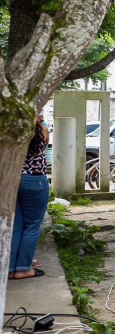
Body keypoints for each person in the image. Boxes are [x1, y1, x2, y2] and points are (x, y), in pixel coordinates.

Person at [9, 116, 50, 280]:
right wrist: (38, 123)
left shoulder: (10, 132)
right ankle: (23, 268)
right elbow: (45, 143)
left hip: (12, 180)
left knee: (15, 225)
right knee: (32, 226)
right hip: (35, 180)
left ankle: (10, 268)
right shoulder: (41, 130)